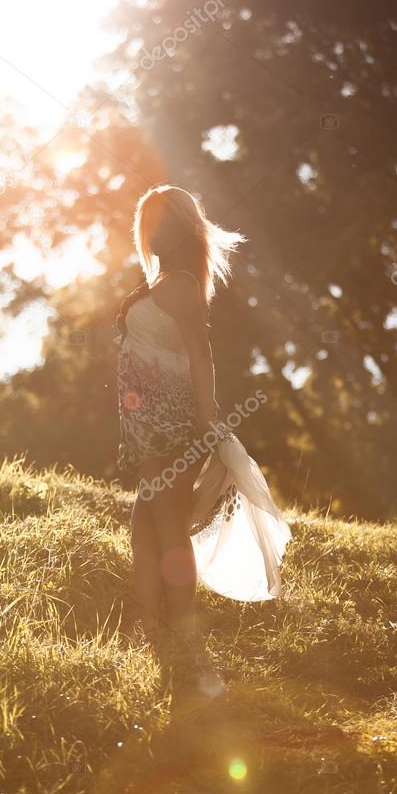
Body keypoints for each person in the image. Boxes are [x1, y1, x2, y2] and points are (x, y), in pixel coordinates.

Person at [115, 184, 291, 690]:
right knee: (146, 526)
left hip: (173, 426)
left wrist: (206, 425)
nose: (157, 231)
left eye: (166, 221)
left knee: (165, 528)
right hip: (150, 426)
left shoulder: (185, 283)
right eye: (150, 222)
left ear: (186, 227)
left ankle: (178, 635)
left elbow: (201, 353)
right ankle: (155, 629)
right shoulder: (165, 280)